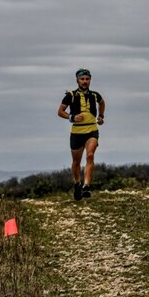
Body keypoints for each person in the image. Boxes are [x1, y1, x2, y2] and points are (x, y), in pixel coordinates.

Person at [57, 68, 105, 201]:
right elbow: (60, 111)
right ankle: (77, 183)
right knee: (76, 162)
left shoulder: (95, 95)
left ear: (90, 80)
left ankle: (86, 186)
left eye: (87, 79)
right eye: (82, 79)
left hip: (91, 130)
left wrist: (101, 116)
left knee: (90, 155)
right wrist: (71, 117)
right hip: (77, 132)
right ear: (77, 80)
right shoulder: (71, 95)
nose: (85, 81)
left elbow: (102, 103)